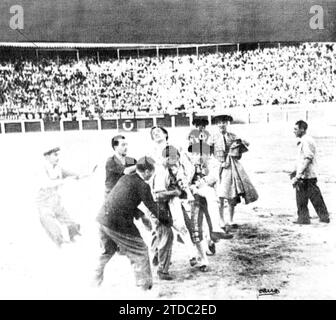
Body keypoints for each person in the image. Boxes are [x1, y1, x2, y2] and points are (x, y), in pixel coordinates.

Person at [94, 157, 174, 290]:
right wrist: (169, 221)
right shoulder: (143, 185)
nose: (152, 175)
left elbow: (121, 200)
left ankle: (92, 283)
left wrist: (140, 214)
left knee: (107, 252)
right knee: (140, 250)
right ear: (147, 171)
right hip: (116, 223)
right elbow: (154, 208)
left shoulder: (125, 179)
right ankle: (144, 289)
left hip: (102, 219)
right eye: (152, 172)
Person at [210, 115, 258, 232]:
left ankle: (230, 220)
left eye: (224, 122)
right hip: (218, 167)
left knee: (232, 194)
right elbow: (208, 154)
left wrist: (238, 144)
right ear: (216, 125)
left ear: (227, 124)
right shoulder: (213, 138)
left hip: (231, 168)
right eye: (219, 122)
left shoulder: (233, 136)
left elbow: (246, 144)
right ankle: (221, 220)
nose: (222, 124)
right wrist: (218, 163)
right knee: (219, 196)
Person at [36, 147, 82, 247]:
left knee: (72, 225)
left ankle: (73, 239)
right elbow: (46, 184)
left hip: (56, 201)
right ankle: (60, 243)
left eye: (58, 155)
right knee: (51, 226)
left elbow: (75, 175)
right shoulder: (41, 169)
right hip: (44, 203)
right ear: (47, 157)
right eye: (55, 155)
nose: (58, 157)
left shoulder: (58, 168)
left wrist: (88, 173)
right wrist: (65, 181)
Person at [290, 120, 330, 225]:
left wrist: (298, 175)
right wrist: (295, 170)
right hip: (307, 175)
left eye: (295, 129)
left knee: (307, 198)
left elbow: (308, 158)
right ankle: (316, 217)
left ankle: (308, 218)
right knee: (312, 197)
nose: (294, 131)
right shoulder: (305, 140)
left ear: (302, 129)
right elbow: (302, 158)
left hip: (306, 176)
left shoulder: (305, 141)